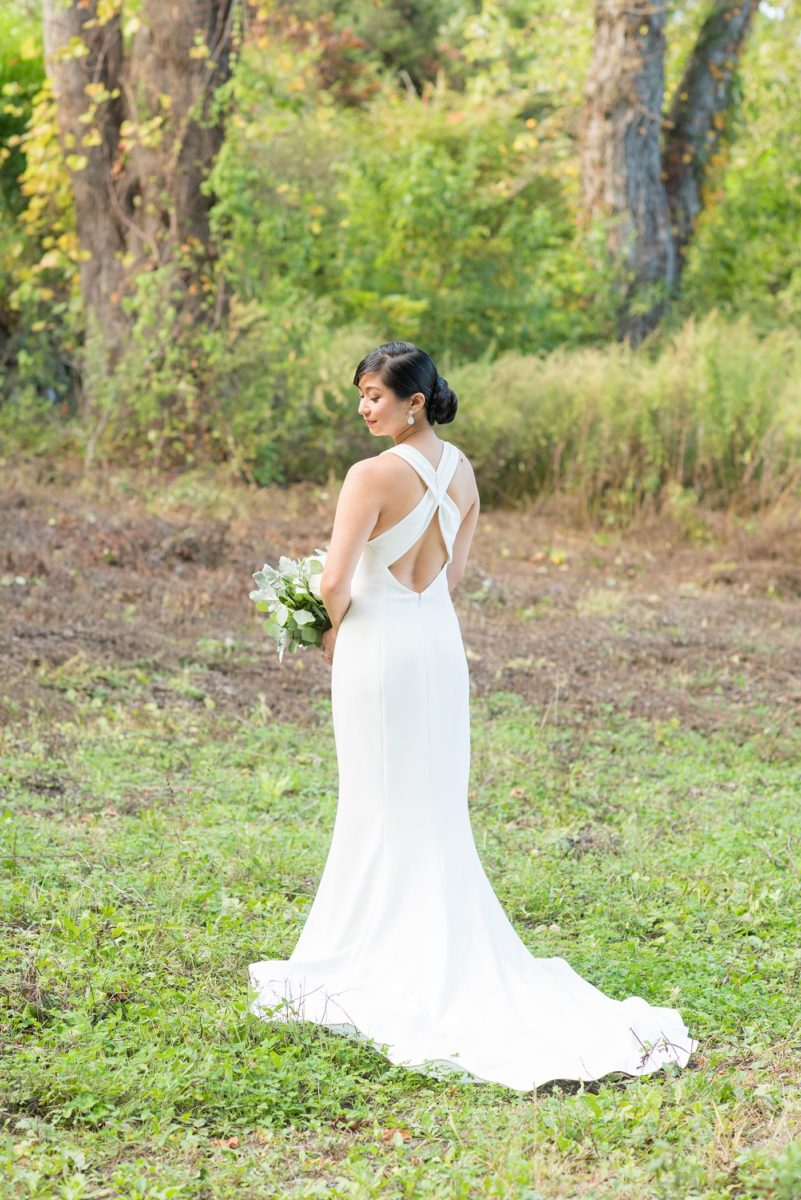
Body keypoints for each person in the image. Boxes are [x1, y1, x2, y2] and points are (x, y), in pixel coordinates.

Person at [248, 340, 698, 1091]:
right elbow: (451, 575)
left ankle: (374, 953)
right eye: (359, 396)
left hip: (378, 650)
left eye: (374, 397)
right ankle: (416, 941)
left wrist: (323, 635)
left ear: (413, 401)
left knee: (376, 799)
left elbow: (333, 578)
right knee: (428, 803)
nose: (364, 408)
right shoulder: (461, 473)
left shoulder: (369, 476)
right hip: (435, 646)